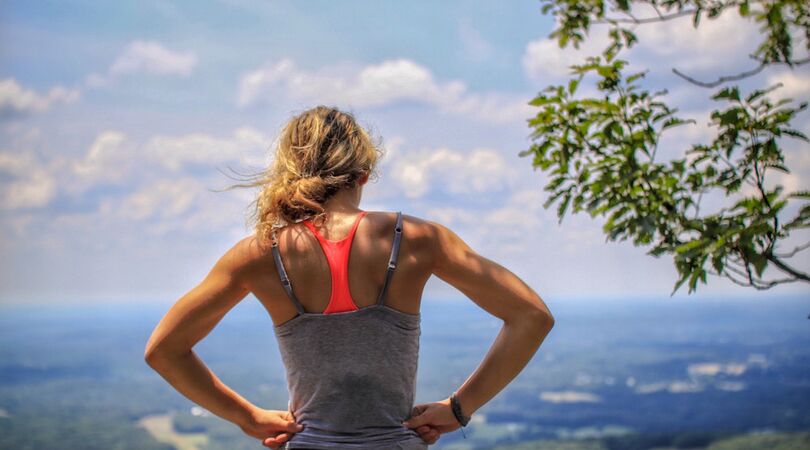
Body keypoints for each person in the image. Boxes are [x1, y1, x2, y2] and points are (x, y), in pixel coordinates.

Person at [144, 105, 555, 449]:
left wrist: (246, 417)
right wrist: (459, 408)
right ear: (362, 174)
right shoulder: (417, 240)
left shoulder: (259, 254)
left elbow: (163, 350)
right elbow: (531, 316)